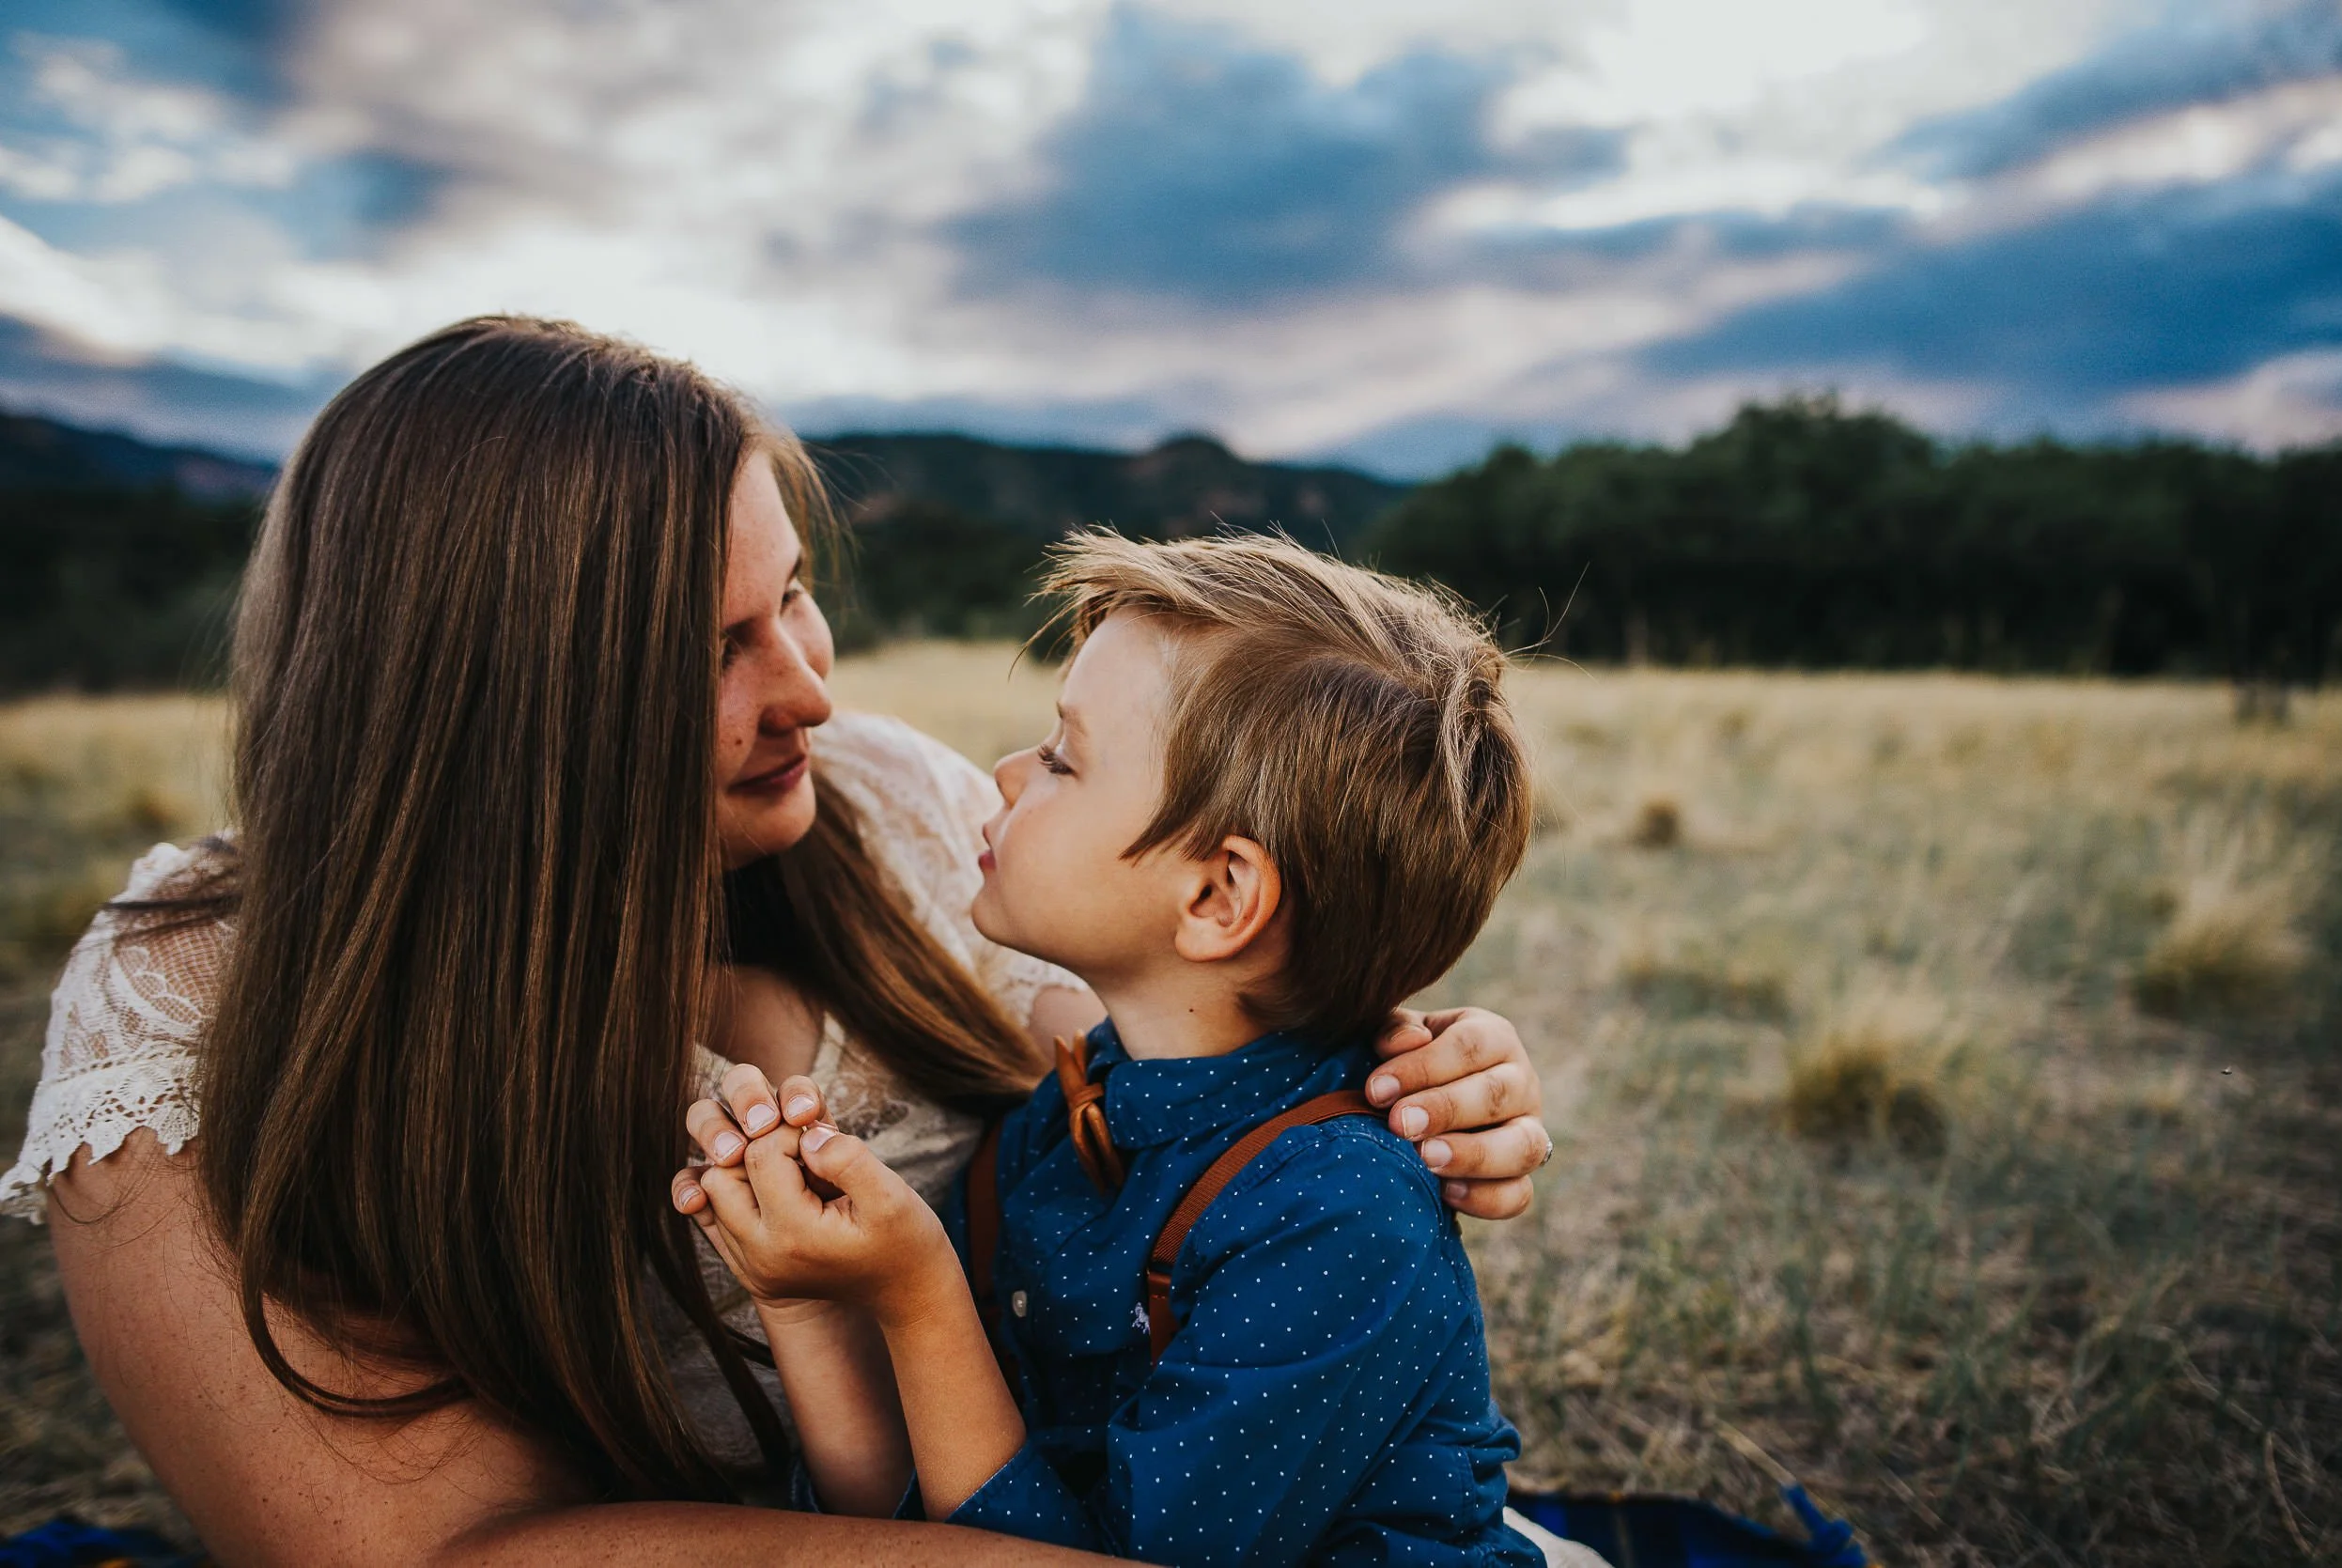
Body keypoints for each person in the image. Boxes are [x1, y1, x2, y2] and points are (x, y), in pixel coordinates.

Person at [2, 317, 1556, 1565]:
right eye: (714, 645)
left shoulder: (880, 801)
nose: (814, 685)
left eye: (798, 592)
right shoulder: (187, 1005)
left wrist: (1412, 1062)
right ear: (498, 707)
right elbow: (413, 1544)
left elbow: (1207, 1031)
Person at [681, 532, 1543, 1563]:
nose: (1000, 775)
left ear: (1217, 896)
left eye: (1060, 758)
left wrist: (920, 1298)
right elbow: (897, 1521)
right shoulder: (1078, 1108)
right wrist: (808, 1302)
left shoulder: (1335, 1220)